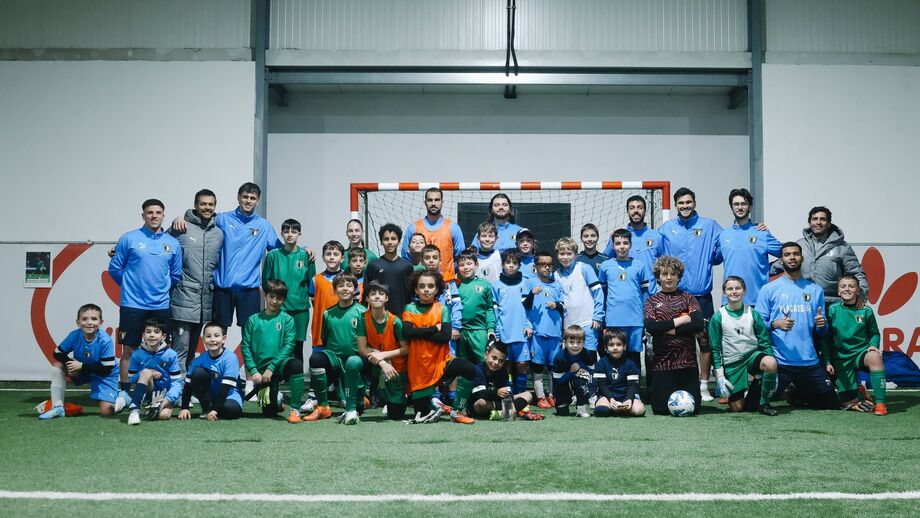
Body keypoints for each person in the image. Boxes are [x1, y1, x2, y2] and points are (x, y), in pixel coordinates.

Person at [108, 198, 182, 391]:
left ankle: (160, 391)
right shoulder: (129, 239)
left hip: (160, 306)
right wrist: (131, 288)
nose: (154, 216)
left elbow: (175, 275)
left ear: (163, 215)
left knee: (162, 350)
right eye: (150, 212)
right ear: (143, 215)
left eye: (158, 213)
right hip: (132, 305)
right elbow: (115, 269)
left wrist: (161, 290)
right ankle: (125, 393)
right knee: (129, 349)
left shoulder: (172, 243)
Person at [756, 242, 839, 410]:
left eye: (795, 254)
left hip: (809, 362)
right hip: (780, 363)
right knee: (751, 405)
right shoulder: (768, 289)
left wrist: (822, 325)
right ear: (781, 259)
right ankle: (792, 389)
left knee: (832, 403)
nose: (792, 257)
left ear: (802, 258)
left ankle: (797, 392)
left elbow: (821, 331)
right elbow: (757, 326)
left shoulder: (815, 290)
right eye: (787, 254)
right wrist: (775, 324)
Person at [659, 187, 722, 402]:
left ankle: (704, 384)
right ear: (675, 205)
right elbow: (655, 255)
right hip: (675, 297)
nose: (685, 206)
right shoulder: (666, 228)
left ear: (694, 202)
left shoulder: (710, 226)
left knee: (704, 341)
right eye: (681, 203)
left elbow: (726, 248)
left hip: (701, 296)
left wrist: (755, 230)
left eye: (688, 202)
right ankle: (679, 382)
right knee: (676, 340)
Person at [402, 269, 477, 424]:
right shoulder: (409, 308)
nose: (426, 289)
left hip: (442, 361)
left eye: (430, 286)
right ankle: (440, 405)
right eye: (421, 286)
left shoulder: (442, 309)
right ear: (416, 289)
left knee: (469, 368)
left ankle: (456, 410)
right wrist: (434, 328)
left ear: (437, 289)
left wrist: (420, 332)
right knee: (421, 413)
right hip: (419, 367)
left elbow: (444, 337)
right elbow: (408, 333)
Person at [168, 188, 223, 377]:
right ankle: (177, 388)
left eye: (211, 204)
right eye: (203, 204)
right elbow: (157, 242)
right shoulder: (180, 228)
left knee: (193, 351)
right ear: (195, 206)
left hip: (205, 303)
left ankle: (188, 388)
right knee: (179, 350)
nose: (207, 207)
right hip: (183, 299)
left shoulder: (219, 233)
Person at [39, 304, 125, 419]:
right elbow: (57, 353)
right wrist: (71, 363)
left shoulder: (105, 340)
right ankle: (57, 406)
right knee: (57, 365)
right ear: (78, 322)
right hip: (82, 369)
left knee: (107, 412)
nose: (89, 322)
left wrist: (80, 366)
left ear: (101, 322)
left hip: (104, 374)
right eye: (84, 319)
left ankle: (123, 398)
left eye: (94, 319)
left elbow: (106, 368)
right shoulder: (74, 335)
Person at [708, 276, 779, 416]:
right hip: (732, 363)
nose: (734, 291)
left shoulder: (752, 313)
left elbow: (764, 340)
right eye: (730, 289)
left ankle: (764, 404)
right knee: (738, 408)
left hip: (752, 356)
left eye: (738, 288)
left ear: (744, 291)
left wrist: (772, 367)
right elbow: (715, 349)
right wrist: (719, 376)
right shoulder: (718, 317)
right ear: (724, 292)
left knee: (770, 363)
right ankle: (753, 393)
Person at [303, 273, 368, 424]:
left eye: (349, 285)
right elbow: (326, 340)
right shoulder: (327, 314)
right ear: (334, 290)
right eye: (340, 286)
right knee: (316, 358)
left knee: (359, 407)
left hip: (356, 361)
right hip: (335, 359)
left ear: (355, 290)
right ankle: (322, 406)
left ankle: (360, 397)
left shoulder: (363, 313)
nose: (345, 289)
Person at [644, 256, 705, 416]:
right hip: (662, 364)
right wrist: (682, 320)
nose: (669, 278)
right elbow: (651, 327)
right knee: (660, 410)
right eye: (664, 274)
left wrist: (669, 329)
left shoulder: (688, 298)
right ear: (658, 277)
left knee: (694, 409)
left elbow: (698, 324)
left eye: (673, 274)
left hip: (687, 365)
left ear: (679, 276)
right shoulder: (651, 301)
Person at [240, 279, 305, 422]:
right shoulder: (253, 320)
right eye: (272, 297)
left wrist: (272, 367)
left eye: (279, 298)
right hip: (261, 371)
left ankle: (295, 409)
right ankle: (277, 398)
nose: (274, 301)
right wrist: (253, 371)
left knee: (296, 365)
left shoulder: (287, 320)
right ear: (265, 296)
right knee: (270, 412)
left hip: (279, 366)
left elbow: (289, 346)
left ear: (284, 300)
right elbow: (245, 347)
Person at [824, 274, 888, 415]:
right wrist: (827, 361)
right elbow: (826, 338)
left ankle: (880, 403)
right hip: (841, 359)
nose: (847, 289)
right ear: (838, 291)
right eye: (843, 286)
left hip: (860, 354)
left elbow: (874, 333)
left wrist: (873, 345)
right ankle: (859, 391)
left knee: (875, 357)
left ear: (858, 290)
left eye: (852, 286)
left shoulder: (866, 311)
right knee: (848, 403)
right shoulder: (832, 310)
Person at [788, 206, 869, 308]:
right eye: (814, 219)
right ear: (809, 223)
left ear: (829, 223)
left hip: (833, 304)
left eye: (822, 219)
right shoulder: (800, 245)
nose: (818, 222)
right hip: (804, 302)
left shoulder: (842, 247)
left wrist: (861, 295)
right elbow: (782, 263)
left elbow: (856, 273)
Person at [598, 228, 656, 366]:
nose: (621, 247)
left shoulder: (638, 265)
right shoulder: (606, 266)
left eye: (625, 243)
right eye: (618, 243)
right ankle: (617, 386)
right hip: (614, 319)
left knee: (634, 354)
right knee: (615, 353)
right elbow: (603, 294)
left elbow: (645, 293)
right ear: (613, 246)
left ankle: (634, 385)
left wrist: (646, 314)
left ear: (630, 244)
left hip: (635, 319)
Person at [262, 218, 316, 362]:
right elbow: (266, 282)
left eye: (294, 231)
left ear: (299, 234)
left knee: (297, 348)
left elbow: (312, 283)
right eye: (286, 231)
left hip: (300, 309)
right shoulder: (273, 256)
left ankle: (296, 383)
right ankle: (275, 383)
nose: (290, 234)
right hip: (278, 310)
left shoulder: (306, 256)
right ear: (281, 234)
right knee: (277, 347)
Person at [717, 188, 782, 306]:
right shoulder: (723, 235)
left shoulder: (762, 233)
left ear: (750, 207)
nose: (740, 207)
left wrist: (771, 269)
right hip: (730, 301)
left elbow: (787, 254)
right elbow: (712, 259)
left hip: (757, 301)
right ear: (731, 208)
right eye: (736, 204)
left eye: (744, 203)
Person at [357, 280, 410, 421]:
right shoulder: (362, 319)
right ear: (367, 298)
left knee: (396, 415)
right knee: (354, 362)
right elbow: (362, 348)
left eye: (381, 293)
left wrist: (384, 355)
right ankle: (358, 399)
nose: (377, 296)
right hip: (374, 363)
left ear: (386, 298)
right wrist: (382, 362)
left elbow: (406, 348)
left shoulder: (395, 321)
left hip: (396, 367)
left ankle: (399, 397)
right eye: (372, 293)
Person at [178, 322, 243, 421]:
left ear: (224, 339)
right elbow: (187, 386)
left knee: (230, 410)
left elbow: (225, 388)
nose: (212, 340)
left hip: (230, 395)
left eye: (216, 336)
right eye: (208, 336)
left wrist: (216, 410)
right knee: (198, 373)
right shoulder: (198, 360)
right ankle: (207, 409)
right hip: (211, 397)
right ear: (203, 339)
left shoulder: (231, 358)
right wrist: (184, 408)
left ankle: (215, 410)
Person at [124, 318, 183, 425]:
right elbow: (132, 378)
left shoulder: (171, 354)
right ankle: (134, 410)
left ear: (163, 337)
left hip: (165, 393)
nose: (152, 335)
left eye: (156, 332)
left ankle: (161, 404)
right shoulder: (137, 354)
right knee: (146, 372)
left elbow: (177, 382)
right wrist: (148, 371)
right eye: (148, 332)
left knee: (164, 416)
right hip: (149, 391)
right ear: (143, 335)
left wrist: (168, 399)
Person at [525, 252, 565, 409]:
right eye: (543, 264)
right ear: (536, 267)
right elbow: (525, 306)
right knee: (537, 366)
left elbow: (563, 306)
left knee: (553, 366)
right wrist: (531, 294)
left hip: (555, 334)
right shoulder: (530, 283)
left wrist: (557, 304)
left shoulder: (557, 285)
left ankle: (552, 394)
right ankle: (540, 397)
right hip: (537, 333)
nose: (546, 267)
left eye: (549, 264)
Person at [492, 249, 534, 396]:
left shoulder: (526, 283)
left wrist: (528, 325)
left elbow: (530, 308)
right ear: (502, 265)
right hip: (504, 332)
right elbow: (495, 311)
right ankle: (510, 396)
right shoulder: (496, 285)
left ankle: (521, 394)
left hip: (521, 332)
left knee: (522, 364)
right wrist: (496, 331)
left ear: (519, 265)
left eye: (514, 263)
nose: (511, 265)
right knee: (507, 365)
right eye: (508, 262)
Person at [467, 341, 543, 421]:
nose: (496, 363)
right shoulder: (477, 369)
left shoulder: (503, 372)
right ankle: (508, 411)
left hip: (496, 401)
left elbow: (508, 392)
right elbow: (479, 394)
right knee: (481, 403)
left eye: (501, 361)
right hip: (479, 404)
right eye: (494, 358)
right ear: (486, 355)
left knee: (528, 395)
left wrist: (510, 402)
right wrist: (497, 393)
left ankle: (507, 411)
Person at [401, 187, 465, 282]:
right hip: (421, 284)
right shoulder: (413, 228)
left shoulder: (453, 228)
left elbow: (459, 258)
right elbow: (406, 258)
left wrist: (447, 274)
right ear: (425, 203)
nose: (433, 203)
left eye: (437, 200)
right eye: (430, 200)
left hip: (446, 282)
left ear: (442, 203)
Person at [554, 237, 604, 354]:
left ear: (576, 254)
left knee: (589, 357)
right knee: (572, 359)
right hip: (568, 326)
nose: (565, 257)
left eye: (569, 253)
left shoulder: (584, 268)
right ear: (557, 255)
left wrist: (597, 316)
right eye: (562, 254)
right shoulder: (555, 275)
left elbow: (598, 293)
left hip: (588, 323)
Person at [361, 223, 414, 316]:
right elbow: (366, 292)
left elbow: (412, 294)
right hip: (378, 317)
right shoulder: (374, 265)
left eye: (393, 239)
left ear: (399, 241)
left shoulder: (407, 266)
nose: (390, 242)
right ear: (381, 242)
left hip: (402, 316)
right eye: (386, 239)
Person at [455, 248, 496, 364]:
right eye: (462, 265)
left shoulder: (485, 285)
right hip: (461, 332)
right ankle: (465, 383)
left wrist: (491, 328)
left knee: (483, 362)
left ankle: (483, 383)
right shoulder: (455, 284)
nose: (466, 267)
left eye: (469, 263)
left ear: (476, 265)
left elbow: (489, 309)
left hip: (479, 331)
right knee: (463, 364)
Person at [604, 194, 664, 271]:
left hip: (650, 283)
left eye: (640, 207)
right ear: (627, 212)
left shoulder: (657, 236)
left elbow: (665, 264)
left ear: (645, 211)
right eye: (632, 208)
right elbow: (604, 261)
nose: (636, 211)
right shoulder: (617, 237)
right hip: (625, 282)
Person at [593, 330, 645, 417]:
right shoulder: (601, 363)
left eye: (619, 344)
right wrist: (611, 400)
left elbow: (632, 385)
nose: (615, 348)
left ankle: (623, 409)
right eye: (611, 345)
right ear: (605, 347)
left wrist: (629, 399)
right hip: (608, 396)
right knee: (601, 411)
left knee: (639, 410)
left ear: (624, 346)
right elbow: (602, 385)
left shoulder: (630, 363)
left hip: (625, 395)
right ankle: (616, 409)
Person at [309, 240, 346, 350]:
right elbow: (315, 303)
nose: (332, 257)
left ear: (342, 258)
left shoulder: (348, 279)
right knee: (318, 362)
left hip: (341, 329)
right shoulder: (315, 280)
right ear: (323, 257)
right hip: (321, 330)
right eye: (328, 254)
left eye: (336, 254)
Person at [552, 325, 596, 417]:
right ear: (565, 343)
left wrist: (581, 366)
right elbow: (558, 381)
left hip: (579, 379)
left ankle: (581, 406)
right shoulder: (559, 358)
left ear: (584, 342)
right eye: (571, 342)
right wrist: (571, 371)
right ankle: (570, 398)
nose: (575, 345)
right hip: (562, 382)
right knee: (562, 413)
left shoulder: (587, 354)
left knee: (582, 376)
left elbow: (592, 373)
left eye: (579, 342)